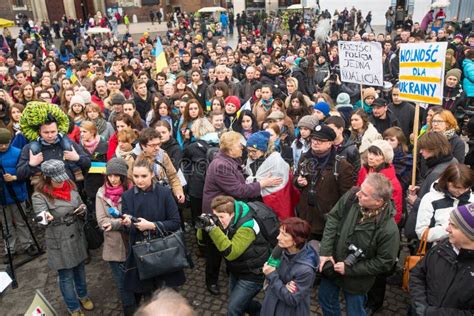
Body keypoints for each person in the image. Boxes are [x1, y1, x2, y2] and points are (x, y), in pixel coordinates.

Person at [202, 131, 282, 295]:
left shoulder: (230, 160)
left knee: (228, 242)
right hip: (218, 213)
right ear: (230, 149)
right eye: (241, 145)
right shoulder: (221, 165)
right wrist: (262, 183)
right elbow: (238, 190)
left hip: (228, 211)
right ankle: (211, 280)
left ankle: (229, 270)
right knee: (214, 249)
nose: (244, 149)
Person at [318, 173, 400, 316]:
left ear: (378, 202)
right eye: (360, 189)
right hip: (333, 265)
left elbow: (385, 262)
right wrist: (325, 251)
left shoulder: (389, 230)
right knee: (326, 300)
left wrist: (350, 270)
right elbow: (333, 218)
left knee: (355, 311)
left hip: (358, 280)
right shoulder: (352, 196)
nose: (358, 194)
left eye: (365, 194)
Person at [32, 160, 93, 316]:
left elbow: (80, 202)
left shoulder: (70, 185)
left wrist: (83, 209)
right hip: (59, 240)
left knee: (80, 270)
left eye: (62, 177)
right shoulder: (39, 196)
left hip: (77, 234)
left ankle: (83, 296)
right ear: (46, 178)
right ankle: (73, 307)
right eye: (56, 179)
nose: (61, 182)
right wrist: (44, 217)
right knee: (66, 276)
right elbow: (41, 217)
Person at [121, 158, 185, 301]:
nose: (139, 180)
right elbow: (128, 230)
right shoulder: (127, 196)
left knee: (167, 294)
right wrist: (127, 224)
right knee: (148, 296)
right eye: (136, 176)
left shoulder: (164, 193)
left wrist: (152, 225)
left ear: (151, 174)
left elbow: (175, 222)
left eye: (144, 176)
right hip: (142, 253)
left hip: (164, 249)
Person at [204, 195, 270, 316]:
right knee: (240, 302)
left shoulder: (248, 227)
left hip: (253, 273)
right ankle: (261, 312)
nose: (218, 220)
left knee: (233, 309)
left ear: (232, 214)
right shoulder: (231, 217)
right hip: (238, 269)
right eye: (216, 216)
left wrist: (212, 229)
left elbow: (231, 253)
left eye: (221, 217)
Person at [409, 204, 474, 315]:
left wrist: (431, 313)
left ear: (470, 234)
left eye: (453, 226)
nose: (447, 229)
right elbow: (417, 273)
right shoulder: (443, 247)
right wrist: (420, 304)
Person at [295, 124, 354, 240]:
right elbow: (296, 177)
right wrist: (297, 181)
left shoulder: (342, 166)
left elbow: (346, 198)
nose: (315, 142)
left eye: (320, 140)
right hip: (304, 217)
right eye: (314, 139)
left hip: (326, 222)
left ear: (330, 143)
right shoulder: (304, 159)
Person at [95, 158, 136, 315]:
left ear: (123, 176)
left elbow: (136, 216)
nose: (112, 179)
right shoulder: (101, 193)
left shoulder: (132, 190)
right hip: (114, 246)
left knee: (136, 276)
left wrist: (115, 223)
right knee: (122, 282)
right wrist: (122, 222)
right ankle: (129, 309)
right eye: (109, 175)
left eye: (116, 175)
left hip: (133, 242)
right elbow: (102, 221)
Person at [261, 217, 319, 316]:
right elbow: (269, 268)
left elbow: (292, 299)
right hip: (271, 304)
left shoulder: (306, 270)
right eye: (280, 232)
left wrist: (272, 275)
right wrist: (283, 286)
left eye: (284, 235)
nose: (278, 237)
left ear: (296, 241)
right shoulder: (281, 248)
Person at [416, 163, 474, 243]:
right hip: (438, 251)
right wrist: (452, 229)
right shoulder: (430, 198)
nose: (461, 192)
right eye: (457, 187)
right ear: (446, 182)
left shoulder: (472, 200)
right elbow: (421, 233)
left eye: (466, 188)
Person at [0, 128, 35, 261]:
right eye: (0, 144)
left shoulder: (17, 153)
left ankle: (28, 244)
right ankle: (10, 248)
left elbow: (25, 172)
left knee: (21, 221)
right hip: (2, 196)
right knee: (6, 224)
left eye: (5, 143)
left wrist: (14, 177)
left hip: (17, 192)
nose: (3, 146)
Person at [244, 131, 297, 220]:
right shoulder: (251, 160)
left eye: (254, 151)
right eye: (248, 151)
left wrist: (256, 182)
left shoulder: (275, 161)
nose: (250, 154)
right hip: (256, 201)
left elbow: (278, 183)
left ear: (263, 149)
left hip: (274, 201)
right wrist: (260, 182)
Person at [356, 139, 403, 225]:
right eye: (370, 153)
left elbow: (395, 214)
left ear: (385, 159)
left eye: (376, 155)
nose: (370, 157)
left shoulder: (392, 184)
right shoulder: (364, 170)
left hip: (377, 224)